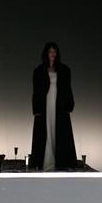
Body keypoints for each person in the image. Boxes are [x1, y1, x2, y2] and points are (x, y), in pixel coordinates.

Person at [30, 42, 78, 170]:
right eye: (50, 51)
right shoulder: (39, 71)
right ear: (46, 53)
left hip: (59, 104)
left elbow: (68, 89)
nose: (52, 54)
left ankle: (60, 163)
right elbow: (36, 91)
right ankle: (45, 162)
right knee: (45, 131)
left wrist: (69, 105)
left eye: (54, 51)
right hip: (45, 104)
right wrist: (36, 108)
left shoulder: (64, 70)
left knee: (59, 132)